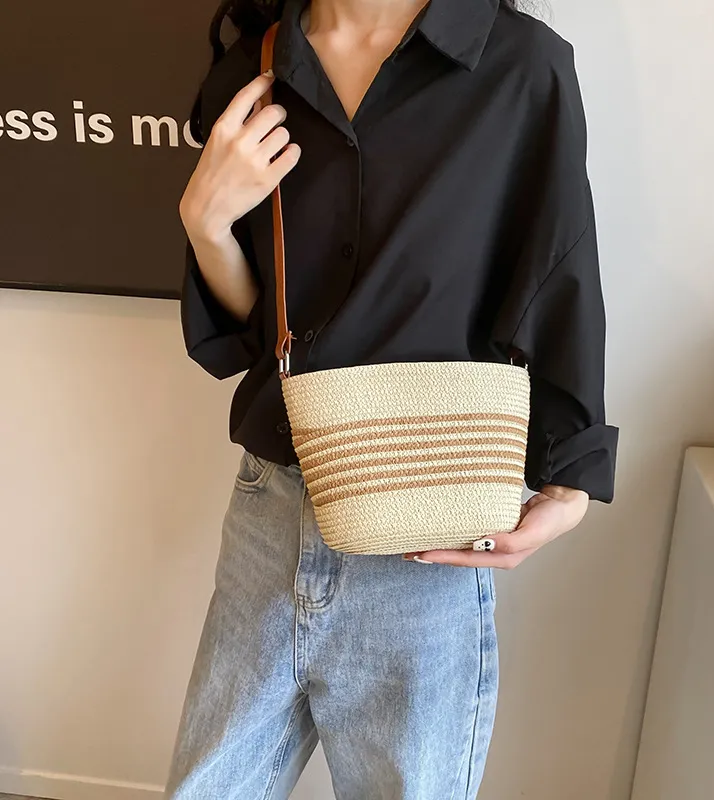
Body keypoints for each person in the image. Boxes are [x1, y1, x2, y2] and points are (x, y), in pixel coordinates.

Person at [165, 0, 619, 796]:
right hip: (272, 513)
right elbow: (257, 336)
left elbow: (561, 271)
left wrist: (571, 480)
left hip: (430, 528)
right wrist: (206, 226)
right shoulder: (259, 67)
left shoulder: (518, 66)